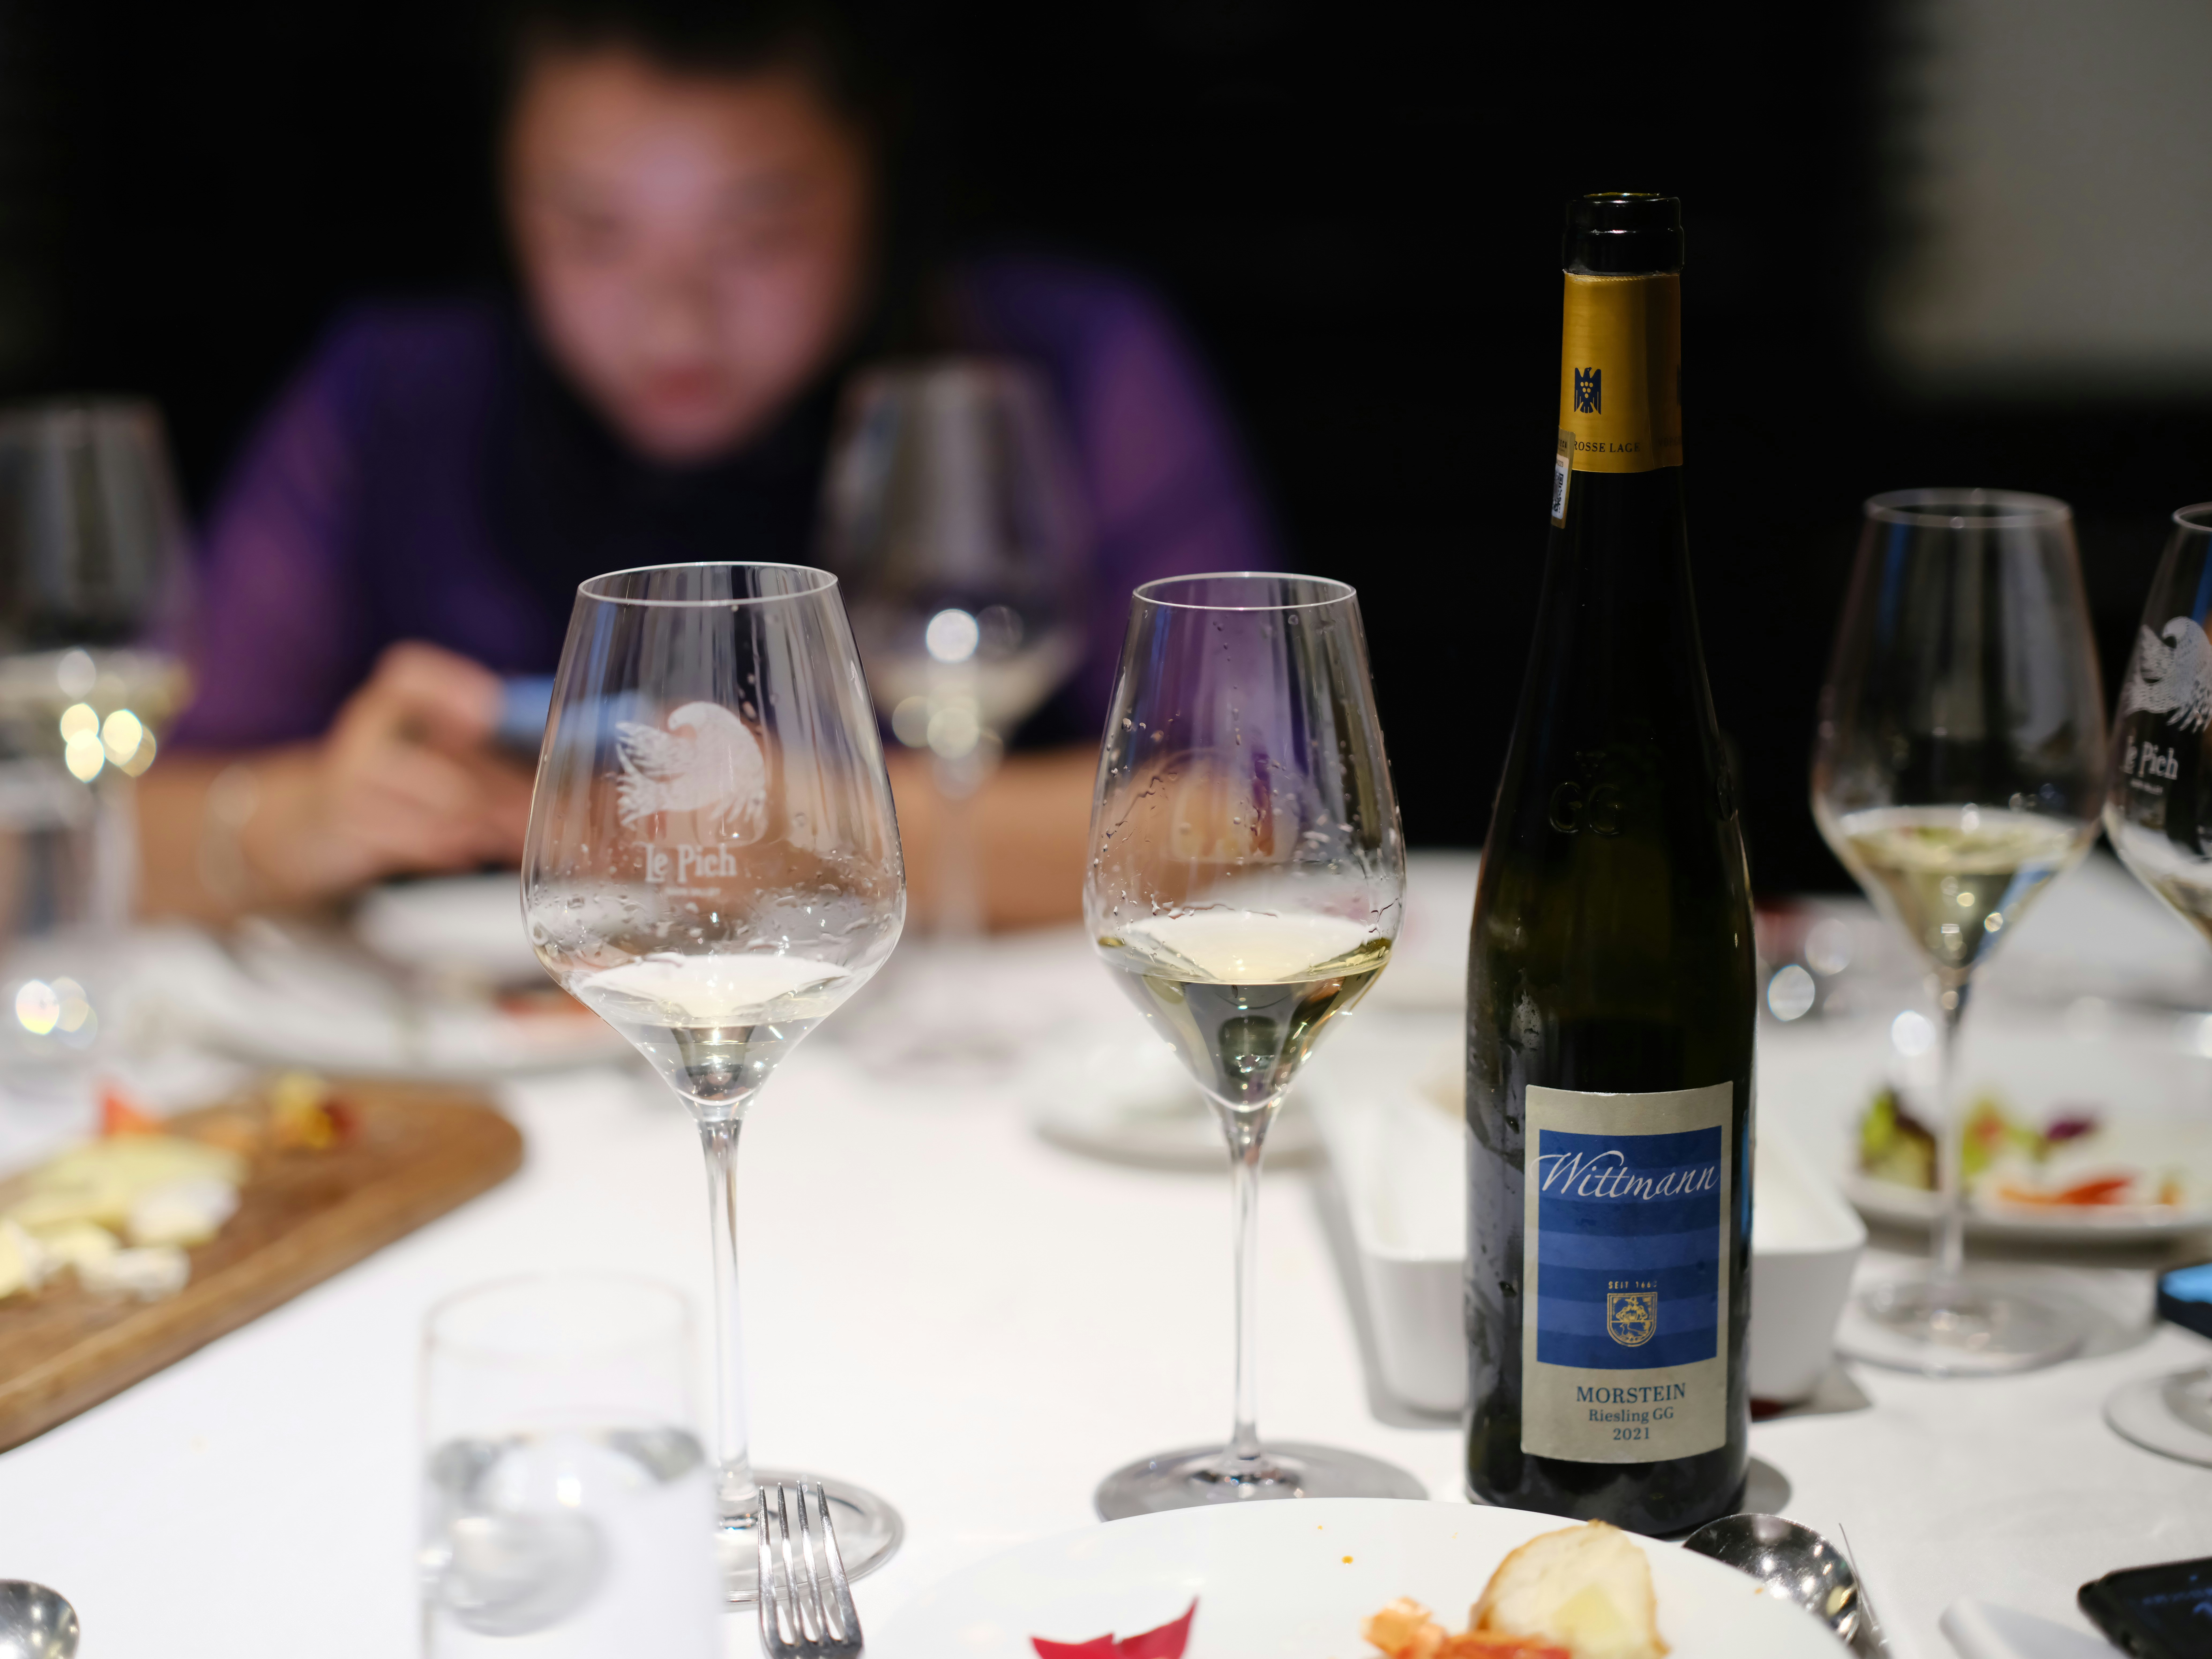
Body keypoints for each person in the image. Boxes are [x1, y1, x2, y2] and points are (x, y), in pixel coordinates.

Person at [138, 0, 1276, 929]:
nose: (674, 322)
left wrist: (827, 830)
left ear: (878, 179)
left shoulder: (1062, 362)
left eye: (755, 237)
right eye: (594, 232)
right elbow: (110, 827)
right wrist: (300, 820)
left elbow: (1260, 811)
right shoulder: (393, 397)